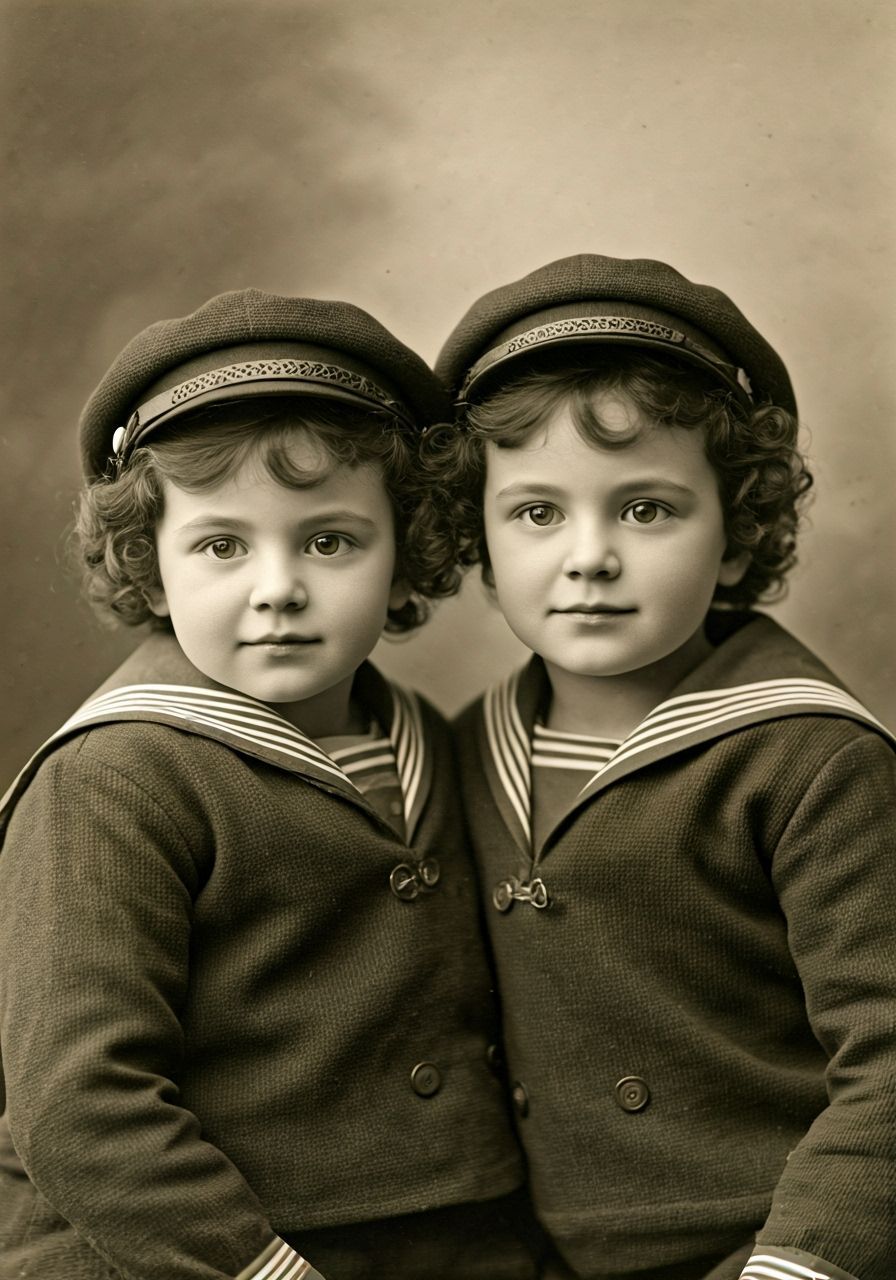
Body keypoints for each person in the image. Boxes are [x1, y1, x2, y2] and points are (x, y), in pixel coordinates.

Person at [0, 289, 537, 1280]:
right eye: (221, 545)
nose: (277, 584)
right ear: (151, 568)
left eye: (329, 540)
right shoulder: (114, 776)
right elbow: (79, 1105)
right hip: (180, 1251)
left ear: (405, 552)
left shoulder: (421, 739)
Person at [420, 254, 896, 1280]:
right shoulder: (458, 749)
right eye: (536, 513)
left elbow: (888, 1068)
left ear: (734, 539)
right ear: (480, 540)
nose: (587, 556)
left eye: (644, 510)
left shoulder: (811, 761)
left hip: (779, 1239)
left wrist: (800, 1258)